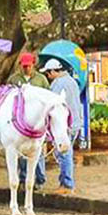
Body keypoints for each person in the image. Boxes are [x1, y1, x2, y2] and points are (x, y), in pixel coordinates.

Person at [42, 58, 84, 194]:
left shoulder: (58, 84)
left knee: (63, 153)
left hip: (65, 125)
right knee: (66, 152)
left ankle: (67, 184)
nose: (48, 77)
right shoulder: (72, 81)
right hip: (75, 122)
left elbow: (52, 104)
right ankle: (65, 182)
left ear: (54, 71)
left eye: (48, 73)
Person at [10, 52, 48, 189]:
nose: (26, 68)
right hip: (20, 121)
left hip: (37, 120)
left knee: (38, 151)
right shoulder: (14, 79)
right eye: (24, 66)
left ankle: (40, 179)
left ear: (33, 65)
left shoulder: (41, 79)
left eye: (29, 66)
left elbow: (47, 97)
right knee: (21, 152)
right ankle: (23, 178)